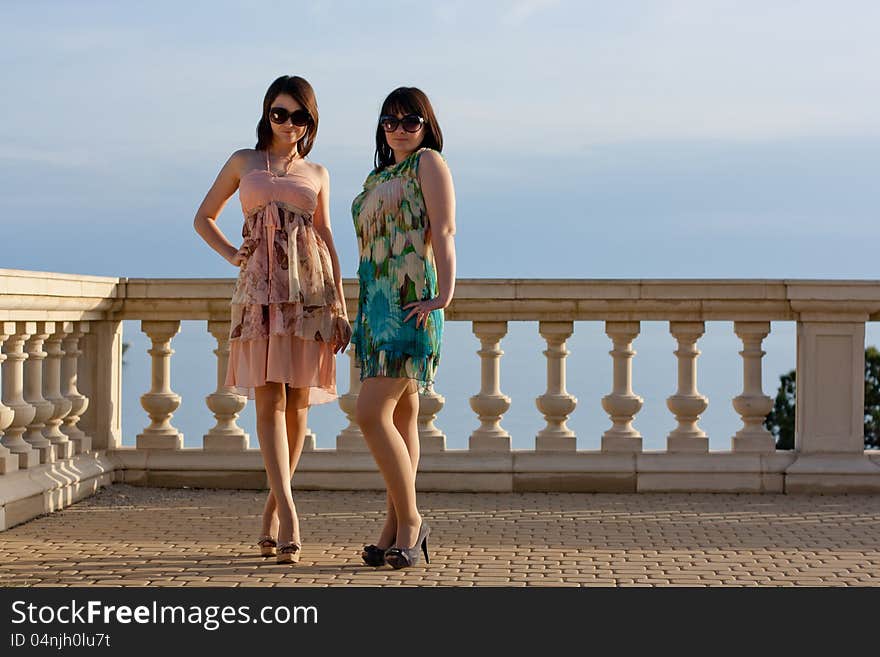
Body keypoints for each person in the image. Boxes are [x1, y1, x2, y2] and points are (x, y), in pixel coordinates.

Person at [194, 75, 351, 564]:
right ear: (267, 113)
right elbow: (204, 217)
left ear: (310, 122)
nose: (288, 123)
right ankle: (289, 511)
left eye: (298, 116)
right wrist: (233, 257)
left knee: (298, 403)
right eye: (280, 113)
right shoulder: (244, 162)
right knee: (268, 401)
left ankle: (270, 516)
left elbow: (325, 236)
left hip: (309, 294)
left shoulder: (318, 172)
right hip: (259, 296)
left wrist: (340, 304)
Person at [351, 87, 456, 569]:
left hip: (410, 304)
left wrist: (443, 296)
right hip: (376, 308)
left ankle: (412, 521)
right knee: (402, 418)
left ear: (426, 125)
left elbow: (445, 230)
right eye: (389, 120)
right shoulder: (377, 176)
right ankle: (393, 529)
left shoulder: (428, 163)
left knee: (371, 413)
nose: (398, 128)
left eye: (409, 120)